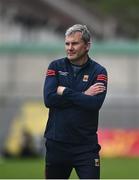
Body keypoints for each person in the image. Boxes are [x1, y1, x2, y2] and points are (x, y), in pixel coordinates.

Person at [43, 24, 108, 179]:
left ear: (87, 46)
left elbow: (94, 104)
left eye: (75, 43)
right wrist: (84, 95)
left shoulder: (99, 71)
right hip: (57, 144)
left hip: (86, 148)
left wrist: (65, 91)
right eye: (67, 43)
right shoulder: (55, 66)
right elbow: (49, 99)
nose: (70, 48)